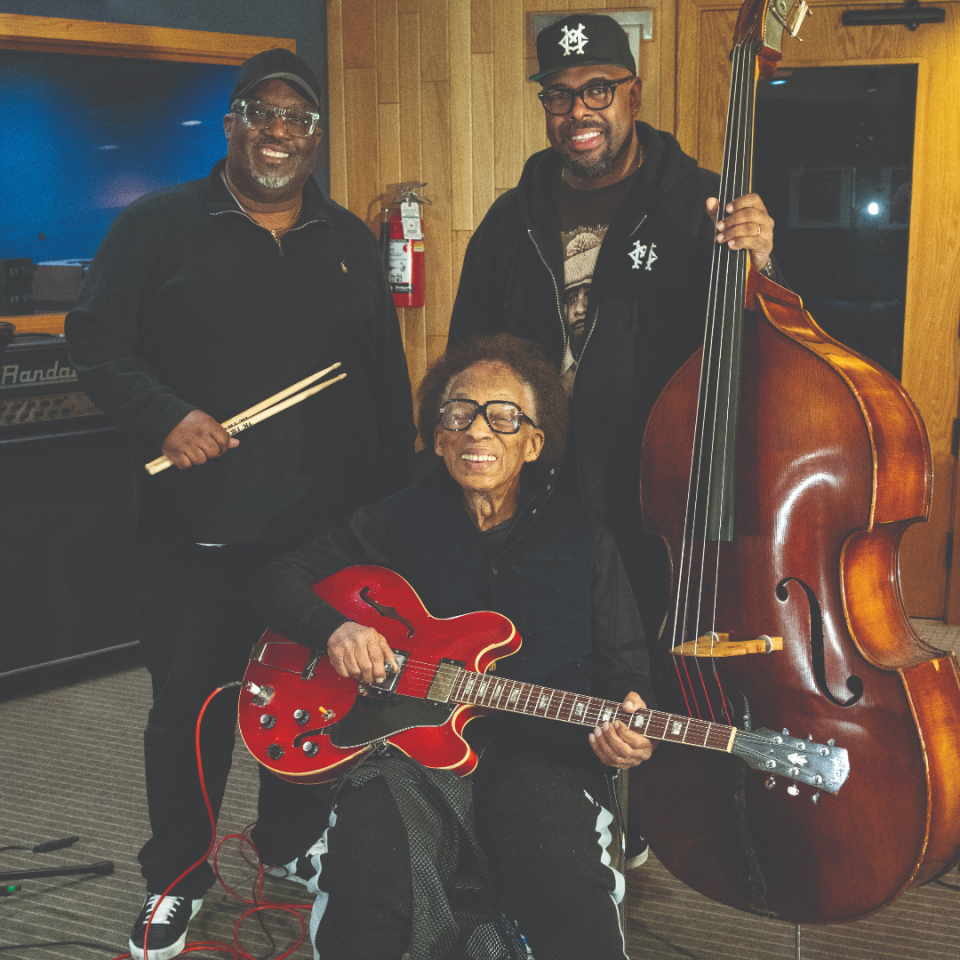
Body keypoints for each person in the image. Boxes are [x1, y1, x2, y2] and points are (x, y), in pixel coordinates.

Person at [64, 48, 415, 960]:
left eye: (297, 118)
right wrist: (166, 416)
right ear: (231, 124)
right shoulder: (158, 226)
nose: (278, 131)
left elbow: (384, 380)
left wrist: (393, 517)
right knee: (193, 710)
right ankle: (176, 878)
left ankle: (288, 846)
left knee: (309, 705)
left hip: (321, 543)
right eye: (261, 112)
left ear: (314, 137)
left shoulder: (345, 240)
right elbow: (94, 339)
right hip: (199, 535)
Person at [251, 333, 656, 960]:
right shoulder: (393, 519)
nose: (478, 433)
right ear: (438, 435)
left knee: (568, 902)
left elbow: (627, 666)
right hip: (406, 749)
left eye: (504, 418)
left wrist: (626, 724)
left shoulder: (584, 536)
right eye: (459, 414)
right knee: (364, 889)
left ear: (534, 442)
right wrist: (337, 630)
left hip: (542, 751)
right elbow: (277, 578)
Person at [448, 13, 784, 641]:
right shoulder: (508, 219)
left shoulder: (705, 205)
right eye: (558, 94)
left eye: (597, 89)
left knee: (654, 648)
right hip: (539, 483)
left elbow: (769, 343)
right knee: (548, 642)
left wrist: (763, 262)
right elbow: (469, 354)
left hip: (659, 484)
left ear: (633, 91)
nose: (578, 111)